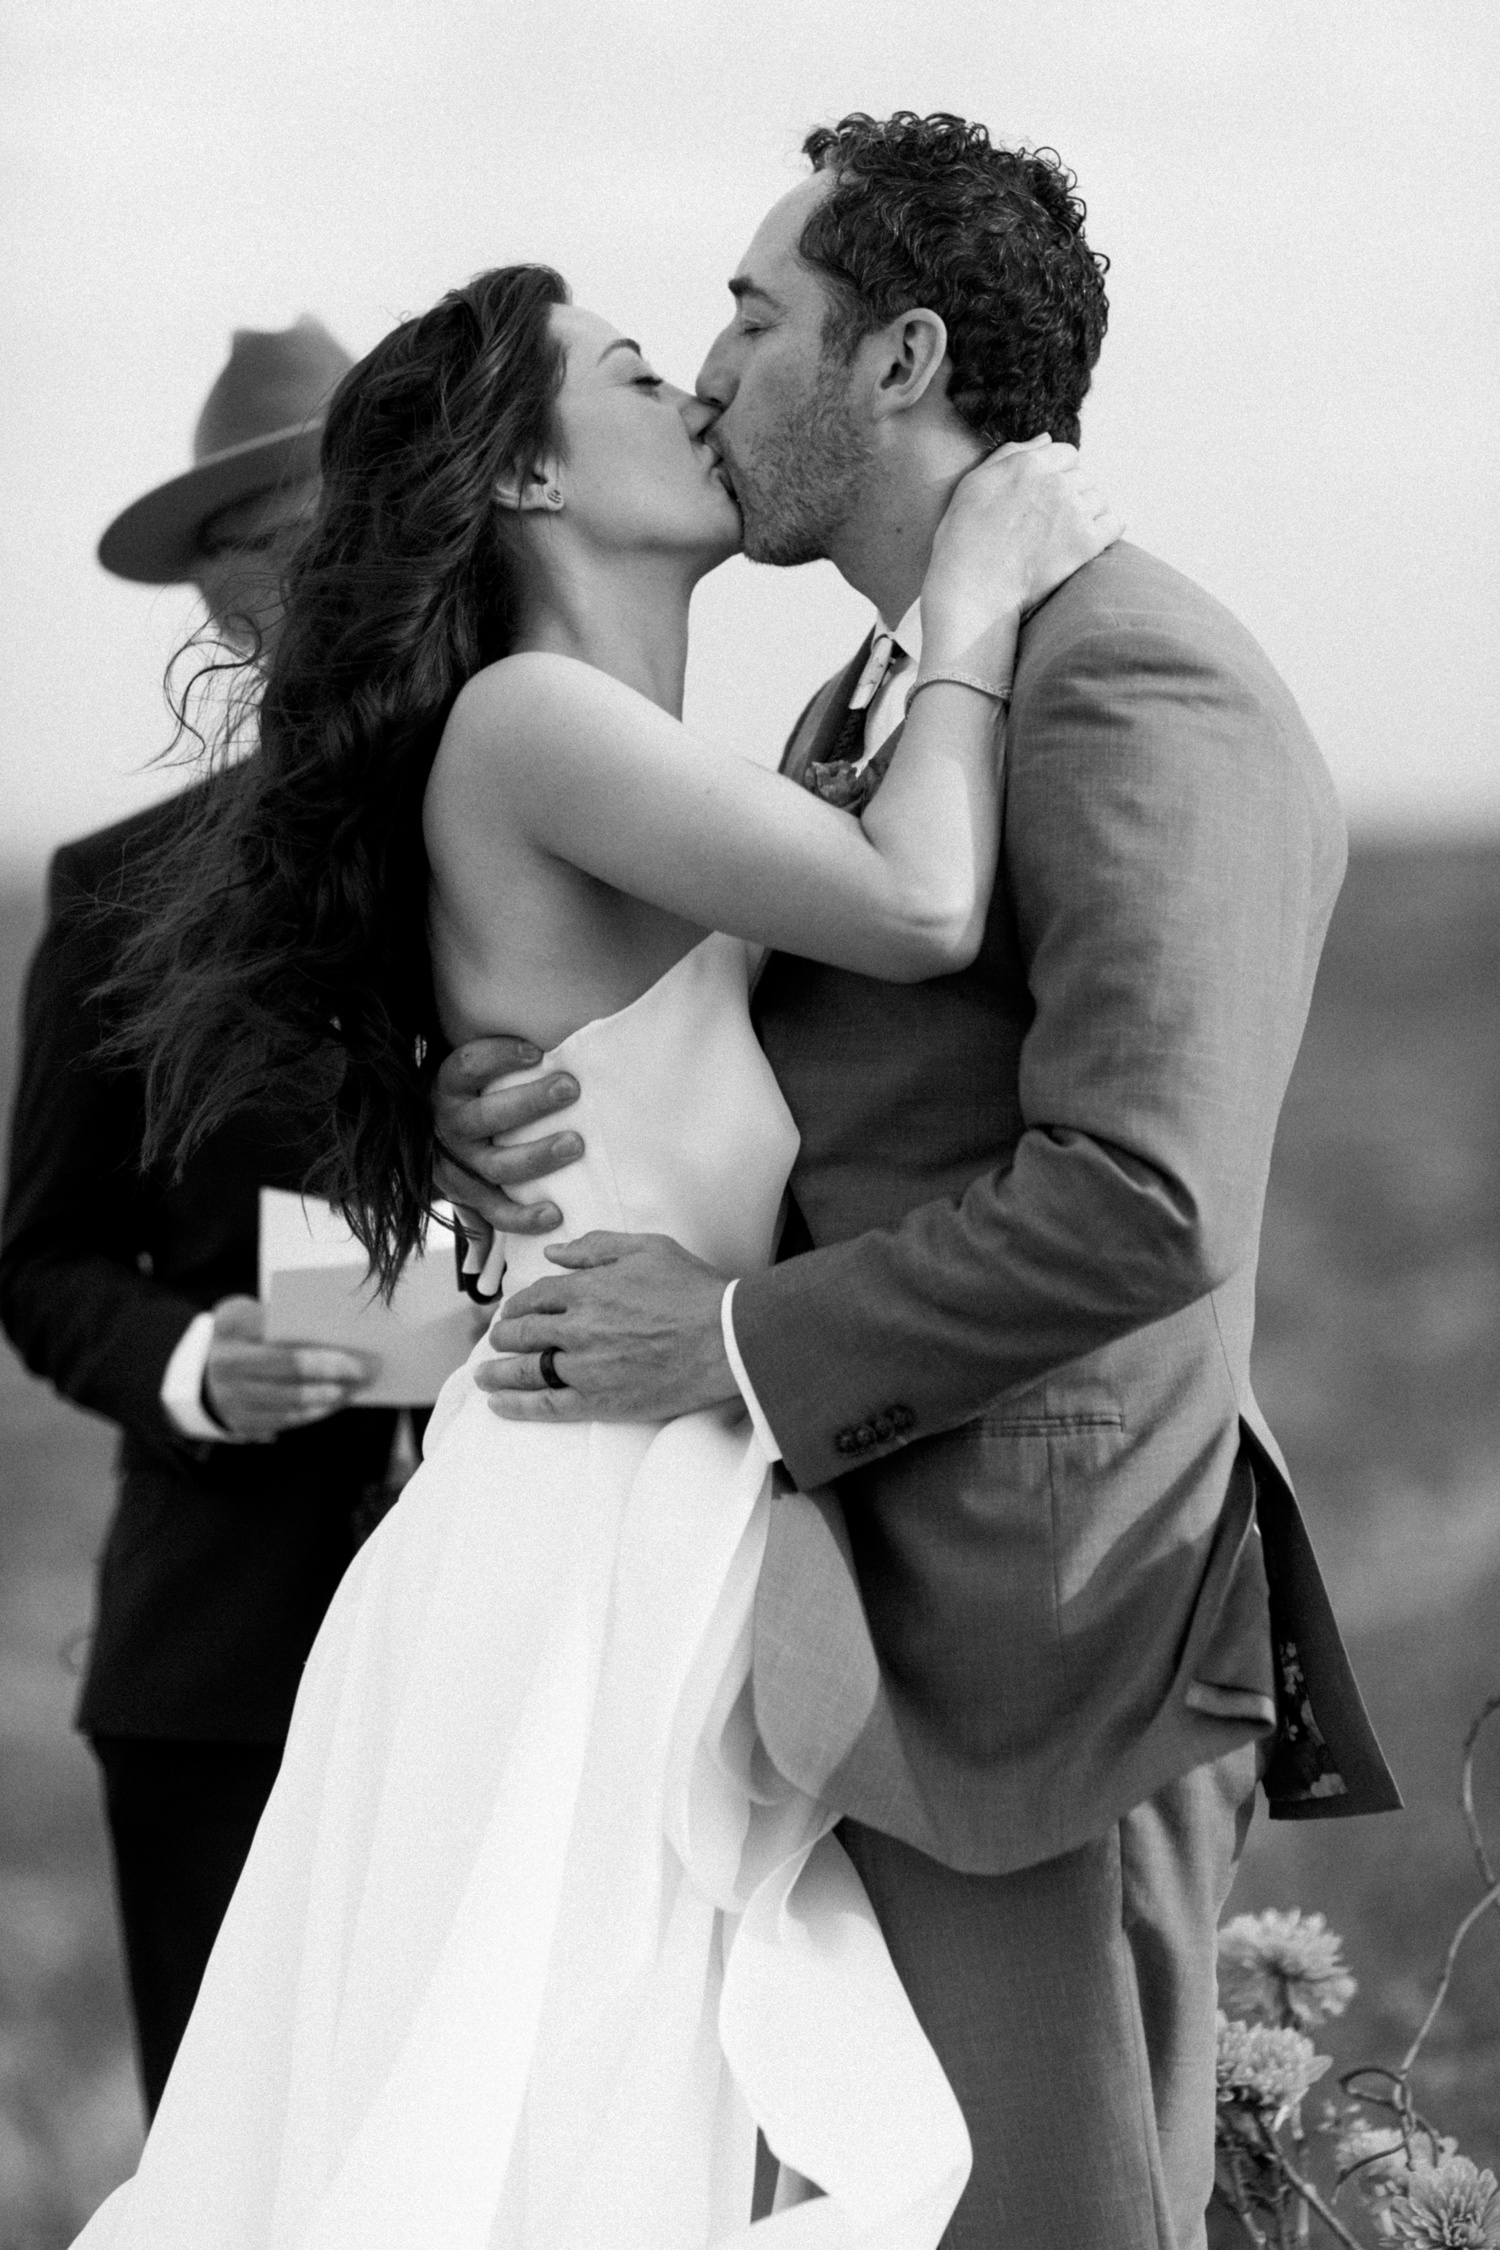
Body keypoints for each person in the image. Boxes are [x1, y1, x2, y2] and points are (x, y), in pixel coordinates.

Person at [64, 253, 1117, 2248]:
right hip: (580, 1527)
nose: (699, 389)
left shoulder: (624, 751)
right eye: (637, 369)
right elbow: (918, 908)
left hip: (645, 1495)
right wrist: (976, 596)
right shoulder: (537, 717)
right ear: (530, 477)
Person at [434, 116, 1402, 2250]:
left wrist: (732, 1343)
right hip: (841, 1633)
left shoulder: (1132, 671)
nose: (709, 368)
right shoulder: (875, 697)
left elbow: (1148, 1196)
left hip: (1044, 1647)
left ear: (901, 360)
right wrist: (498, 1104)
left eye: (752, 315)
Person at [0, 315, 419, 2119]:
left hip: (517, 1634)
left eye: (369, 517)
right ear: (222, 600)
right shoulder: (115, 898)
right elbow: (39, 1259)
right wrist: (192, 1364)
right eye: (294, 538)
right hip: (219, 1665)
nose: (342, 567)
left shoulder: (556, 824)